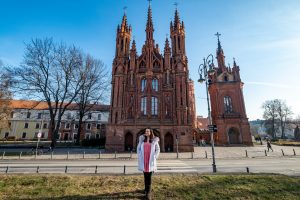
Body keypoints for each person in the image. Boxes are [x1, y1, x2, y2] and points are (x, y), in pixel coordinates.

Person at [137, 128, 160, 199]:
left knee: (149, 176)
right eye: (146, 131)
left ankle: (148, 193)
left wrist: (154, 157)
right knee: (145, 175)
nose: (146, 132)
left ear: (150, 132)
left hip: (150, 160)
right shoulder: (142, 140)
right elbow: (138, 148)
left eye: (148, 131)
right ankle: (146, 189)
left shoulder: (154, 140)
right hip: (144, 160)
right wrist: (140, 155)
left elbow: (158, 149)